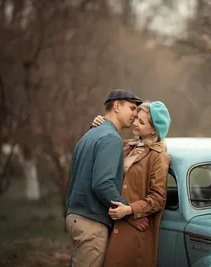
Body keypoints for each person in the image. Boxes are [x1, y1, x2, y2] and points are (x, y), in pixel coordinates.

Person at [65, 89, 142, 267]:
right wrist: (127, 211)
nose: (134, 114)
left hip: (75, 217)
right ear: (116, 106)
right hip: (91, 221)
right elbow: (102, 183)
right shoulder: (111, 138)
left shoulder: (90, 134)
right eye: (131, 108)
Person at [91, 100, 171, 267]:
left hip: (135, 231)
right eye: (136, 118)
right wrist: (99, 126)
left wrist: (129, 209)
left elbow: (158, 198)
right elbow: (103, 154)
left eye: (141, 122)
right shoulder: (128, 146)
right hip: (112, 223)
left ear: (154, 129)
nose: (135, 123)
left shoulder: (158, 157)